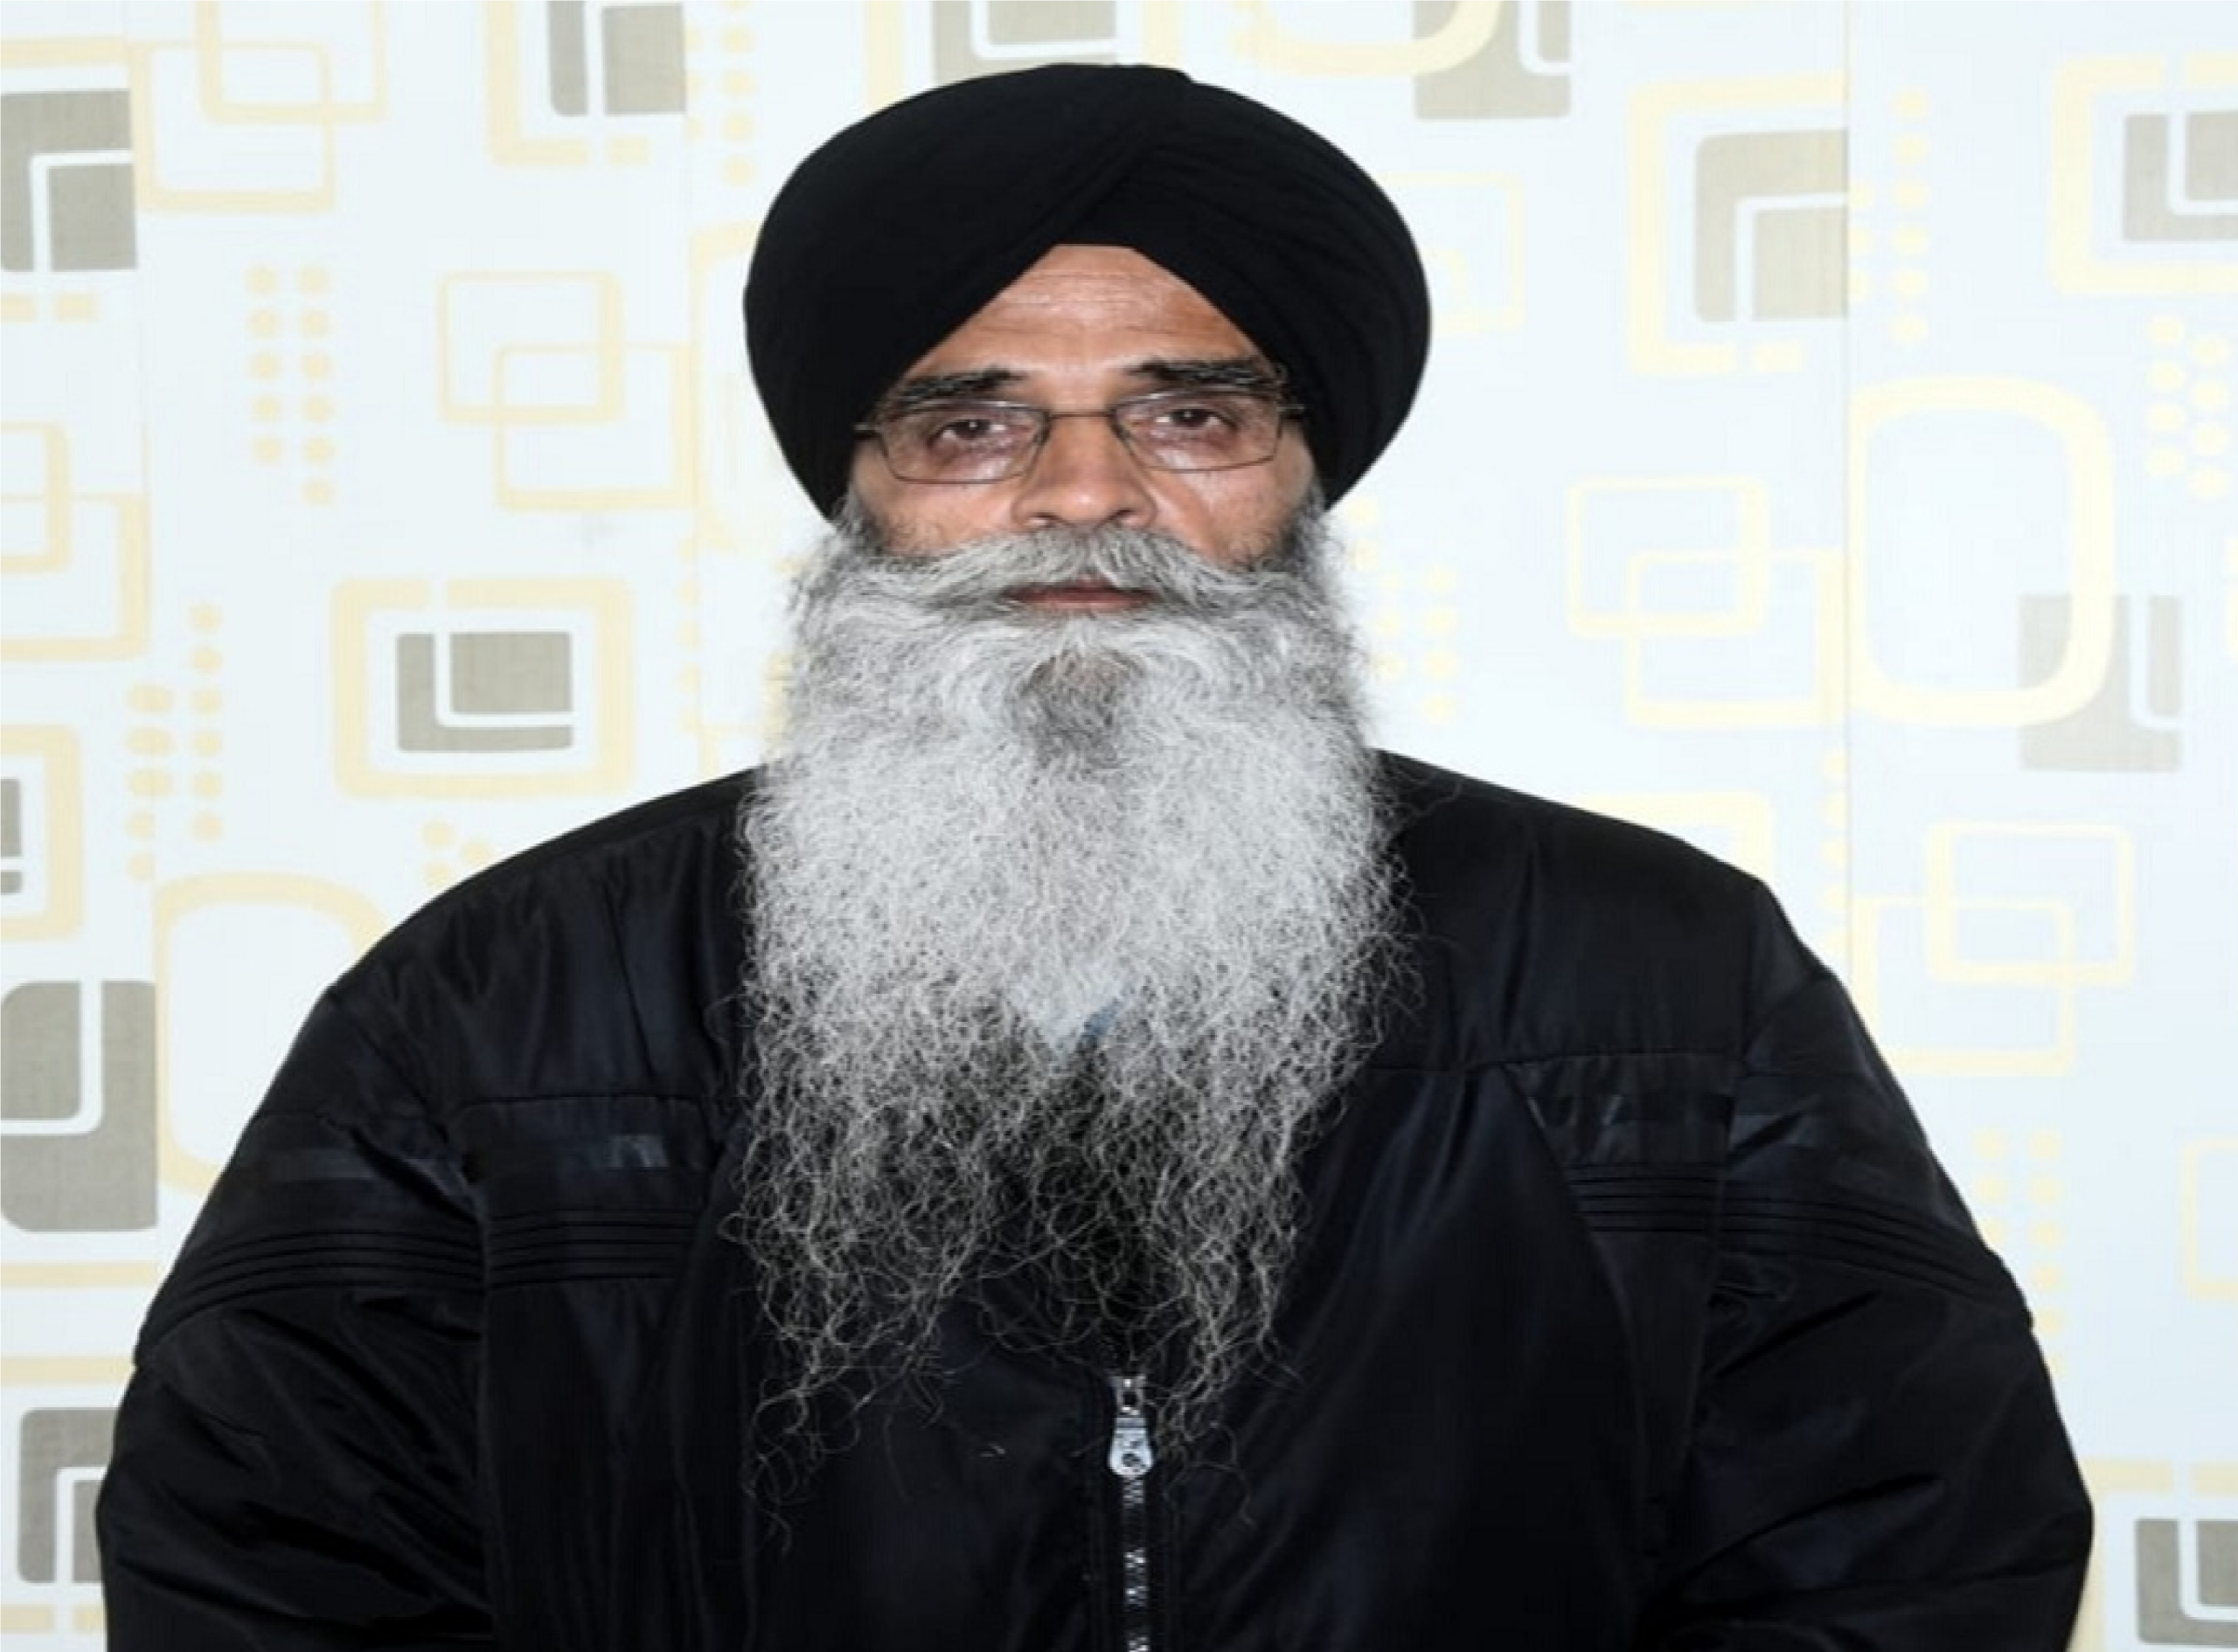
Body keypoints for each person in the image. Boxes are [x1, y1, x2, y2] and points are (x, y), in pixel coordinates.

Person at [99, 63, 2091, 1649]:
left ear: (1301, 472)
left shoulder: (1661, 974)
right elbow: (273, 1565)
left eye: (1188, 414)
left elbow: (1907, 1545)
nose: (1081, 493)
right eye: (969, 427)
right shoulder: (501, 1003)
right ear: (856, 493)